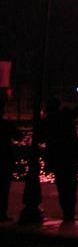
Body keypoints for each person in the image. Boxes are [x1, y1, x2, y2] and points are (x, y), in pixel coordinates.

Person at [39, 92, 78, 223]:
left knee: (62, 187)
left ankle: (67, 211)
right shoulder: (65, 116)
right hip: (71, 156)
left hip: (57, 157)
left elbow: (40, 138)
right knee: (71, 186)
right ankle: (70, 212)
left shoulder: (47, 121)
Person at [0, 92, 22, 221]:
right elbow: (18, 136)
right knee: (3, 189)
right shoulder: (6, 125)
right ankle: (2, 214)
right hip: (4, 159)